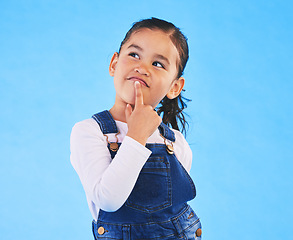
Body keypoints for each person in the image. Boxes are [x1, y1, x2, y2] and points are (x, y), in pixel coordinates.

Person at [70, 17, 202, 239]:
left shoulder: (175, 142)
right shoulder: (90, 132)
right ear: (114, 64)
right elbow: (108, 200)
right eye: (134, 55)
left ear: (175, 87)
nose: (142, 67)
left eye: (158, 64)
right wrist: (136, 136)